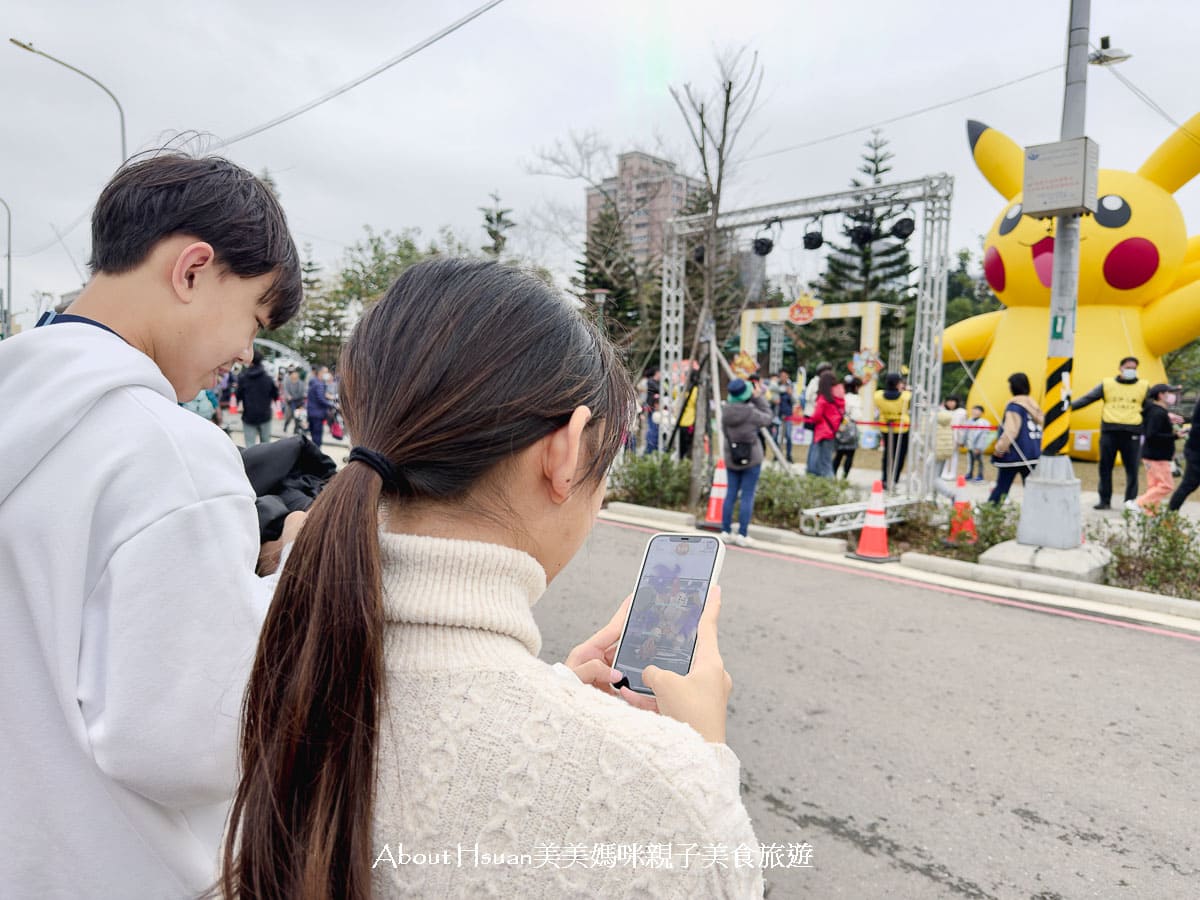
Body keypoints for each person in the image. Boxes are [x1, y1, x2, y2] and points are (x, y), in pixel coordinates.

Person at [219, 259, 762, 899]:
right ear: (565, 450)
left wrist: (549, 693)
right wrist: (701, 761)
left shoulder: (281, 644)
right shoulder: (670, 793)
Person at [0, 154, 307, 897]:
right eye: (254, 317)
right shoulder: (169, 450)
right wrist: (294, 574)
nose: (243, 353)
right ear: (194, 269)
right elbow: (190, 742)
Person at [1071, 355, 1149, 510]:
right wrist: (1067, 408)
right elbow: (1087, 399)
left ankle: (1130, 501)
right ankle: (1104, 500)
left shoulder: (1143, 386)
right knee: (1105, 468)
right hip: (1110, 432)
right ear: (1120, 368)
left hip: (1132, 432)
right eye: (1128, 368)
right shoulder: (1107, 384)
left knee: (1132, 469)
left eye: (1134, 368)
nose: (1131, 371)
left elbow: (1151, 408)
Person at [720, 378, 774, 546]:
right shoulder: (751, 412)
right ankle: (742, 534)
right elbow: (768, 418)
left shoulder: (725, 412)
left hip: (732, 457)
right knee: (747, 495)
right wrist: (758, 398)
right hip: (752, 457)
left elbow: (723, 431)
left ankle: (725, 531)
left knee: (730, 494)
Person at [988, 372, 1044, 504]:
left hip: (1014, 454)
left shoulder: (1014, 406)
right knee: (1032, 490)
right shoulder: (1034, 407)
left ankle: (990, 515)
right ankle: (1037, 517)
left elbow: (1011, 431)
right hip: (1033, 454)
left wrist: (999, 450)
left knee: (1002, 488)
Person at [1132, 383, 1182, 513]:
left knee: (1154, 487)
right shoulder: (1157, 413)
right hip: (1157, 456)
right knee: (1166, 486)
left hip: (1151, 455)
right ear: (1161, 395)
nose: (1171, 396)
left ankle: (1150, 516)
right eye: (1169, 392)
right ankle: (1138, 503)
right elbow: (1152, 434)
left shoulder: (1155, 411)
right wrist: (1174, 436)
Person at [875, 372, 912, 490]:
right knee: (900, 455)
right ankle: (894, 479)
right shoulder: (905, 396)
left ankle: (885, 478)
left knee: (887, 454)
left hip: (886, 427)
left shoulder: (878, 395)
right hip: (902, 428)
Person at [236, 348, 279, 447]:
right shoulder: (268, 378)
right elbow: (275, 395)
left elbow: (238, 395)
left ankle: (251, 463)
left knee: (250, 445)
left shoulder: (243, 378)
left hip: (249, 416)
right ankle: (265, 462)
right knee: (266, 445)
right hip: (265, 415)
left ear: (250, 361)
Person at [807, 371, 844, 478]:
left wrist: (811, 418)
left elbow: (817, 415)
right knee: (827, 459)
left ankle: (825, 483)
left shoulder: (823, 399)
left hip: (821, 431)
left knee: (819, 461)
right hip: (832, 430)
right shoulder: (839, 397)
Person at [1168, 394, 1200, 511]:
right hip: (1196, 451)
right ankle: (1170, 515)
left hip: (1194, 449)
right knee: (1189, 484)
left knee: (1188, 484)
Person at [832, 375, 861, 478]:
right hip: (851, 428)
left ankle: (833, 475)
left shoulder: (841, 396)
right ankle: (844, 477)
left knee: (838, 455)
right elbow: (857, 416)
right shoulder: (856, 398)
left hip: (840, 427)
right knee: (849, 455)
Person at [306, 365, 333, 447]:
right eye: (326, 372)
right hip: (317, 413)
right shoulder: (319, 384)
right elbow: (321, 399)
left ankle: (314, 453)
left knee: (314, 435)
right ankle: (316, 455)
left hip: (312, 412)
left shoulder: (314, 382)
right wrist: (333, 405)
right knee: (317, 437)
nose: (327, 374)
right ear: (320, 373)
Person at [965, 404, 990, 482]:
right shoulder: (969, 421)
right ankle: (969, 474)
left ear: (981, 412)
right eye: (974, 410)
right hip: (970, 445)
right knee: (970, 461)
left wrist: (979, 447)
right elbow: (966, 432)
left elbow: (983, 437)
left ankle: (980, 475)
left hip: (978, 446)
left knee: (979, 461)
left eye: (977, 410)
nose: (975, 412)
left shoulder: (985, 423)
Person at [776, 370, 796, 462]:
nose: (784, 377)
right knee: (776, 436)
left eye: (785, 375)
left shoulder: (791, 386)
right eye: (782, 375)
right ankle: (776, 454)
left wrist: (791, 394)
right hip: (778, 414)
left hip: (788, 415)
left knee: (788, 436)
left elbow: (795, 401)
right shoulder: (776, 385)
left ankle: (789, 455)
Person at [642, 364, 662, 454]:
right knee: (652, 428)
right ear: (657, 373)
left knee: (656, 429)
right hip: (651, 408)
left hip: (657, 409)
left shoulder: (659, 383)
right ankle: (649, 449)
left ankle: (653, 448)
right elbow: (658, 390)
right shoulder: (651, 382)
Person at [281, 367, 305, 433]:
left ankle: (296, 429)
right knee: (289, 416)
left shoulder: (301, 383)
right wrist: (288, 396)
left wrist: (293, 397)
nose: (294, 376)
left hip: (298, 402)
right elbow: (286, 390)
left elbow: (301, 393)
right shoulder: (287, 382)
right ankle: (285, 426)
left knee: (297, 417)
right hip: (290, 402)